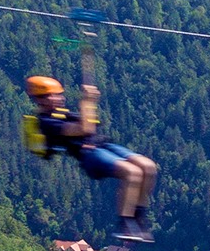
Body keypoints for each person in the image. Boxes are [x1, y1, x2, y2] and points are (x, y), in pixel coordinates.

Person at [25, 74, 159, 241]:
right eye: (54, 95)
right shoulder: (46, 123)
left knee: (148, 167)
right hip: (88, 155)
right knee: (132, 172)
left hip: (102, 145)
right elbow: (83, 129)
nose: (60, 98)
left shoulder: (61, 114)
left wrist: (89, 104)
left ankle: (138, 218)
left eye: (59, 94)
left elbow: (91, 125)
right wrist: (87, 101)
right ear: (41, 99)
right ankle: (126, 224)